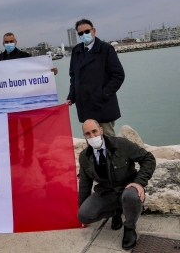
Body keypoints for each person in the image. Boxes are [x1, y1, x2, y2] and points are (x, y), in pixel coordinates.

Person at [78, 119, 156, 250]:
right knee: (84, 216)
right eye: (88, 134)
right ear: (84, 136)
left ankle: (130, 228)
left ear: (101, 130)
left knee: (132, 196)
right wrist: (82, 208)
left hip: (127, 187)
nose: (92, 136)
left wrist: (139, 182)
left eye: (94, 131)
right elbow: (85, 184)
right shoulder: (84, 156)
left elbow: (148, 158)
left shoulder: (121, 144)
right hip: (106, 192)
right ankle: (116, 212)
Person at [0, 32, 58, 166]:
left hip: (25, 101)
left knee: (26, 130)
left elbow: (37, 70)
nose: (9, 44)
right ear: (3, 44)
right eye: (6, 42)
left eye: (11, 41)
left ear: (16, 42)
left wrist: (50, 71)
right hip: (8, 102)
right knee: (11, 131)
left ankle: (28, 157)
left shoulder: (25, 56)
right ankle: (14, 156)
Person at [66, 19, 125, 136]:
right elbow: (74, 77)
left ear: (94, 31)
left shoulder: (106, 49)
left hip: (102, 104)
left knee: (107, 138)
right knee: (91, 138)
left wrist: (104, 94)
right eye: (81, 33)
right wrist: (71, 96)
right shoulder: (76, 51)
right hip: (85, 103)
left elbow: (118, 75)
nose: (84, 35)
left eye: (87, 31)